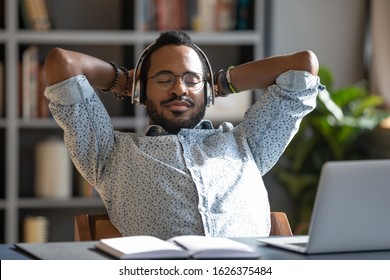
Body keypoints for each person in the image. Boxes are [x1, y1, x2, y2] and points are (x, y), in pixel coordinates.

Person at [44, 30, 322, 240]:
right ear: (141, 92)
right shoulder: (110, 153)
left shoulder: (247, 143)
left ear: (207, 91)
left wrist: (222, 82)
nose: (179, 89)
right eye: (164, 79)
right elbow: (62, 64)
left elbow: (303, 67)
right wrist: (125, 81)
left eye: (192, 80)